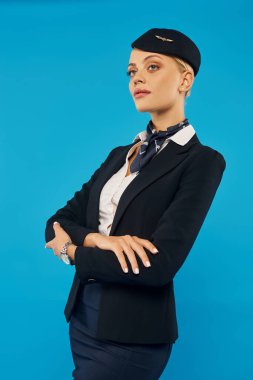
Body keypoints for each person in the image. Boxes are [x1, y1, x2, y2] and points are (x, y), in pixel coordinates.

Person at [45, 28, 226, 380]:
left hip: (133, 335)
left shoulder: (202, 161)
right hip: (83, 318)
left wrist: (74, 253)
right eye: (132, 71)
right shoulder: (118, 155)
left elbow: (159, 266)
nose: (137, 78)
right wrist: (101, 240)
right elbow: (56, 221)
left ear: (185, 79)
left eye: (153, 67)